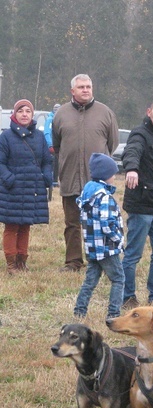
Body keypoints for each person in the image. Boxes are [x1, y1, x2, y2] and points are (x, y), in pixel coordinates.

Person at [53, 74, 119, 272]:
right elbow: (57, 146)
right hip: (70, 177)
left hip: (97, 183)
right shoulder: (61, 114)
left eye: (88, 86)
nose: (85, 90)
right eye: (81, 87)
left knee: (100, 223)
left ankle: (100, 261)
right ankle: (73, 261)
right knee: (72, 224)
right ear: (72, 91)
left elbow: (112, 144)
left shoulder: (105, 113)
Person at [121, 97, 153, 309]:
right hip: (141, 205)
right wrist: (131, 168)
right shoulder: (139, 134)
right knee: (133, 254)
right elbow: (131, 151)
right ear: (149, 111)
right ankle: (127, 296)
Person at [0, 99, 53, 274]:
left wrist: (46, 176)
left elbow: (47, 160)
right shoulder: (6, 137)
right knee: (12, 226)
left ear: (32, 115)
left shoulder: (38, 137)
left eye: (28, 111)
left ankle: (22, 261)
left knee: (25, 225)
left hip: (32, 188)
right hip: (12, 189)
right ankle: (11, 264)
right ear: (14, 114)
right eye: (21, 111)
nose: (24, 114)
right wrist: (9, 179)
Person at [74, 154, 124, 320]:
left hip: (92, 247)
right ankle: (114, 314)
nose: (115, 176)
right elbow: (107, 224)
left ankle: (79, 311)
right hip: (107, 248)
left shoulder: (87, 194)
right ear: (105, 175)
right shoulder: (105, 198)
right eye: (113, 173)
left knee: (90, 281)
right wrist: (119, 239)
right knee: (118, 279)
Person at [43, 103, 61, 186]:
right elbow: (47, 132)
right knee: (53, 164)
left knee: (57, 164)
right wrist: (50, 145)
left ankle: (55, 181)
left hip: (57, 146)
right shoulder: (50, 119)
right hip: (51, 147)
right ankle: (52, 181)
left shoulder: (58, 119)